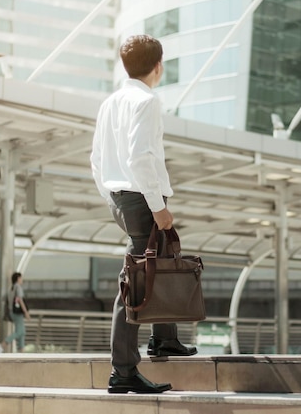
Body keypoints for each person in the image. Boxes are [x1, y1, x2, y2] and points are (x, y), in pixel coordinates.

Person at [91, 34, 196, 395]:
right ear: (158, 66)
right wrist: (158, 206)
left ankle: (165, 339)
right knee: (136, 279)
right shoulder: (146, 101)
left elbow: (96, 160)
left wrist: (112, 196)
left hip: (121, 197)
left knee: (160, 261)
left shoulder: (111, 103)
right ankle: (123, 370)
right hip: (141, 197)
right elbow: (140, 158)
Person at [3, 272, 30, 352]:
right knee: (20, 331)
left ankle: (22, 350)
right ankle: (5, 342)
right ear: (18, 278)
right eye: (21, 278)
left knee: (22, 331)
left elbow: (4, 298)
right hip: (17, 313)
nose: (22, 280)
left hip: (12, 312)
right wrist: (26, 312)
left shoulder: (11, 288)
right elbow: (20, 300)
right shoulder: (18, 287)